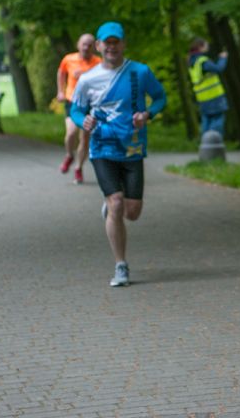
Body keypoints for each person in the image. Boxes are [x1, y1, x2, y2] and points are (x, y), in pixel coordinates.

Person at [70, 22, 167, 287]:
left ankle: (114, 207)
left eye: (116, 42)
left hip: (133, 148)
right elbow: (76, 110)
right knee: (116, 203)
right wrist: (82, 121)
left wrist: (148, 114)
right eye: (107, 42)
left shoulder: (140, 72)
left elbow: (160, 97)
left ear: (123, 44)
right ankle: (121, 266)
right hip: (102, 148)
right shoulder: (87, 79)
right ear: (98, 46)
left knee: (132, 212)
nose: (111, 47)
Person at [56, 33, 101, 183]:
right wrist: (60, 91)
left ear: (94, 47)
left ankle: (78, 168)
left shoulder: (99, 62)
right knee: (71, 133)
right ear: (78, 45)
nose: (86, 47)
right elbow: (61, 73)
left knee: (85, 138)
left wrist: (85, 75)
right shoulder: (69, 59)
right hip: (73, 101)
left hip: (91, 103)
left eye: (89, 45)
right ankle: (69, 155)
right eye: (84, 44)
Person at [187, 37, 229, 138]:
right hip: (214, 96)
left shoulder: (192, 62)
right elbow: (218, 69)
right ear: (200, 47)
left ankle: (205, 143)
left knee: (206, 120)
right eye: (206, 45)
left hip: (202, 98)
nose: (208, 47)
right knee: (218, 119)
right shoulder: (202, 61)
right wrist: (223, 58)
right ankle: (213, 142)